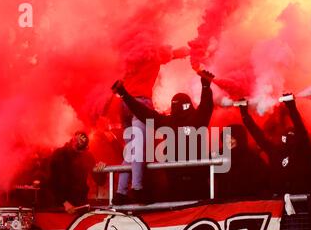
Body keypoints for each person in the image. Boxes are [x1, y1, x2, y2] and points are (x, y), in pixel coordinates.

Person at [111, 70, 215, 202]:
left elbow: (206, 106)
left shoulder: (193, 120)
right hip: (177, 182)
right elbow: (144, 113)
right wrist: (124, 94)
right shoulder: (175, 121)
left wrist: (206, 86)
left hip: (195, 182)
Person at [113, 45, 190, 205]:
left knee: (130, 151)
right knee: (139, 148)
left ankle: (120, 192)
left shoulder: (129, 56)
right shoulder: (154, 53)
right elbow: (174, 53)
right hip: (140, 103)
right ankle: (137, 188)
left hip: (123, 103)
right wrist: (192, 49)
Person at [239, 94, 311, 196]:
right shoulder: (275, 151)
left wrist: (291, 107)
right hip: (278, 200)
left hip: (300, 199)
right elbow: (258, 135)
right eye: (285, 135)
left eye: (291, 134)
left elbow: (300, 129)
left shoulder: (302, 149)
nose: (287, 137)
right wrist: (244, 114)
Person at [49, 131, 105, 214]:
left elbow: (100, 181)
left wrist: (101, 169)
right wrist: (64, 203)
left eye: (83, 140)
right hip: (61, 207)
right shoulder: (59, 154)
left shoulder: (87, 156)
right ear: (73, 138)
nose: (80, 141)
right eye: (79, 139)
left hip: (81, 204)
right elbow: (51, 182)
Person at [215, 124, 270, 200]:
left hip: (247, 204)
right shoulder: (219, 157)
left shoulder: (253, 159)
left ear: (240, 138)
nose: (229, 141)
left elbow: (265, 182)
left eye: (232, 138)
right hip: (225, 205)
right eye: (226, 139)